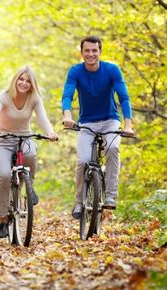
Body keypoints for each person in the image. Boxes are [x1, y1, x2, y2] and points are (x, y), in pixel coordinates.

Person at [61, 36, 134, 219]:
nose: (91, 54)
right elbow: (67, 95)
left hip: (110, 120)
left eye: (95, 50)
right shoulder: (75, 71)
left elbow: (124, 98)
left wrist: (128, 125)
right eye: (87, 51)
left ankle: (110, 196)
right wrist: (68, 116)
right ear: (82, 52)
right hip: (86, 122)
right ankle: (79, 202)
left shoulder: (112, 70)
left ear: (100, 52)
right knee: (83, 161)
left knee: (113, 147)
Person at [0, 65, 58, 238]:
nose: (24, 83)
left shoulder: (34, 98)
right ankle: (3, 219)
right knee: (4, 175)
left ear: (32, 84)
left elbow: (42, 118)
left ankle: (29, 188)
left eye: (28, 81)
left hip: (25, 137)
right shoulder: (3, 96)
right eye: (21, 79)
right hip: (2, 139)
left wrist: (50, 132)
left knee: (31, 154)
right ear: (15, 80)